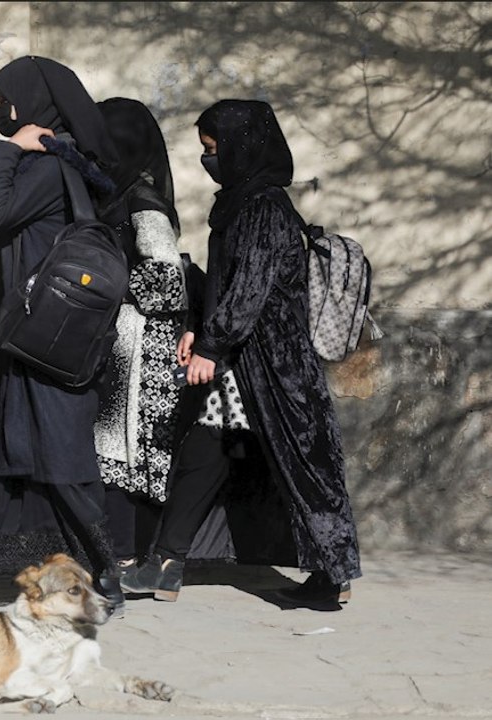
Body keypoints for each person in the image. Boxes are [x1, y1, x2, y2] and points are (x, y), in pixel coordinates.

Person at [121, 99, 362, 607]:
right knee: (207, 448)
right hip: (244, 359)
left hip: (275, 362)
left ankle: (330, 571)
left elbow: (251, 286)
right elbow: (230, 282)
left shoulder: (263, 206)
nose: (209, 160)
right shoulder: (240, 203)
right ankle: (166, 563)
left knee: (304, 461)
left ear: (241, 148)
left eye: (215, 149)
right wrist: (199, 331)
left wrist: (213, 342)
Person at [0, 56, 126, 613]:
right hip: (18, 335)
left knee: (60, 460)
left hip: (48, 344)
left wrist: (10, 147)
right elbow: (14, 250)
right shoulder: (49, 166)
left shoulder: (52, 168)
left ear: (36, 107)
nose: (1, 113)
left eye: (7, 101)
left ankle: (105, 574)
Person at [89, 98, 188, 581]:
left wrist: (107, 277)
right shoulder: (116, 196)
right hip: (123, 342)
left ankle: (127, 555)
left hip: (142, 346)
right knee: (114, 451)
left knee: (125, 452)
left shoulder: (144, 203)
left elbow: (167, 286)